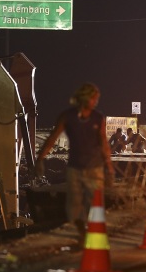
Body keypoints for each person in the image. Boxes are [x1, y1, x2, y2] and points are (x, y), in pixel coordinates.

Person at [34, 83, 114, 247]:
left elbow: (104, 143)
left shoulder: (98, 118)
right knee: (74, 205)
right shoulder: (67, 117)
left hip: (95, 168)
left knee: (95, 203)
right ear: (85, 98)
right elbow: (52, 139)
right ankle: (81, 230)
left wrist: (109, 167)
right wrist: (40, 159)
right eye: (94, 99)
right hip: (74, 168)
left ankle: (94, 234)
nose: (96, 102)